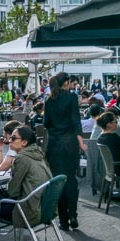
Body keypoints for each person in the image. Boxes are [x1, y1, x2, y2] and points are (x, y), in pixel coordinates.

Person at [44, 71, 86, 232]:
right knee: (71, 179)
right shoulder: (71, 97)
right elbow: (76, 121)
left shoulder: (49, 100)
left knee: (58, 181)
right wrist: (81, 141)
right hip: (70, 145)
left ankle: (63, 219)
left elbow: (46, 123)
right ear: (67, 83)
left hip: (54, 146)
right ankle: (73, 214)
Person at [96, 111, 120, 176]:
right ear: (109, 124)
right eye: (116, 122)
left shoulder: (100, 138)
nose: (116, 124)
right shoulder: (113, 137)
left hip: (111, 167)